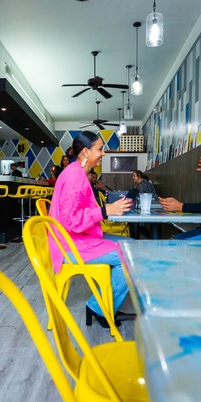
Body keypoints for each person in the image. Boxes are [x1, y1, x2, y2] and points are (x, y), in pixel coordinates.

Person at [48, 131, 134, 328]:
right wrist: (106, 210)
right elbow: (72, 221)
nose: (103, 153)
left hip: (76, 239)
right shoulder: (74, 176)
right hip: (69, 245)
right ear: (86, 152)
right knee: (129, 256)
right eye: (100, 149)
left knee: (131, 246)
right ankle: (99, 307)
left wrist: (108, 209)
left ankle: (105, 303)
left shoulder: (76, 172)